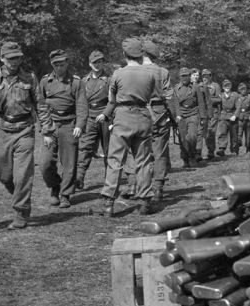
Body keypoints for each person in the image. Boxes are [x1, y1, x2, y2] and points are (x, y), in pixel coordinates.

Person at [0, 41, 53, 229]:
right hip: (3, 132)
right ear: (2, 58)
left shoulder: (30, 78)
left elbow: (41, 106)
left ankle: (21, 212)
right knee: (5, 176)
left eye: (18, 57)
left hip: (25, 131)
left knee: (22, 176)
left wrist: (47, 131)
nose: (14, 61)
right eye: (10, 58)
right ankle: (19, 196)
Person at [98, 38, 161, 217]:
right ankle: (144, 202)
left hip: (123, 117)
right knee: (143, 160)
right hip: (142, 116)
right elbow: (150, 95)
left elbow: (112, 99)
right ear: (140, 54)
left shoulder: (117, 74)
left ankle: (109, 203)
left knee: (115, 160)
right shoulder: (150, 74)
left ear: (125, 54)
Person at [37, 49, 81, 208]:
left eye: (62, 63)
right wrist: (45, 129)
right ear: (52, 65)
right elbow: (40, 105)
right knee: (45, 163)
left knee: (69, 163)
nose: (59, 67)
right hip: (51, 124)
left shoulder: (76, 82)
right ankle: (55, 186)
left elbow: (81, 106)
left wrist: (79, 125)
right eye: (56, 64)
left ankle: (65, 194)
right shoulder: (44, 82)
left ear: (67, 63)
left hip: (69, 124)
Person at [142, 39, 174, 202]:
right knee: (160, 149)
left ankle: (139, 186)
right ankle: (158, 186)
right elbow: (169, 95)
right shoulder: (163, 72)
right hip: (160, 111)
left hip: (140, 111)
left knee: (140, 150)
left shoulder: (136, 70)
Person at [74, 50, 110, 189]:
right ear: (90, 64)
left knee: (109, 150)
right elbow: (80, 101)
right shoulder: (83, 81)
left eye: (100, 61)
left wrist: (106, 114)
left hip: (106, 117)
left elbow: (114, 100)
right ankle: (79, 178)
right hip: (89, 116)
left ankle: (109, 180)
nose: (97, 64)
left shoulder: (109, 80)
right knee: (85, 148)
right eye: (94, 62)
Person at [173, 67, 208, 168]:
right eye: (182, 76)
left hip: (193, 114)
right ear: (180, 77)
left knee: (192, 136)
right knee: (183, 139)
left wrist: (202, 118)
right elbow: (176, 103)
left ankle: (192, 156)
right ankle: (185, 159)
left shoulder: (195, 87)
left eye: (186, 76)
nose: (184, 78)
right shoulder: (176, 88)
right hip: (182, 116)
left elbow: (201, 103)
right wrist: (178, 115)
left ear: (189, 76)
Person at [190, 67, 211, 162]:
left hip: (200, 113)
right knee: (190, 135)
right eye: (194, 75)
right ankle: (190, 153)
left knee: (200, 133)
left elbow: (207, 101)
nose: (196, 77)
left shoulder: (203, 87)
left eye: (197, 75)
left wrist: (208, 115)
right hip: (188, 114)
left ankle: (198, 153)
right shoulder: (186, 87)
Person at [200, 69, 221, 160]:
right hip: (202, 112)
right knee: (203, 132)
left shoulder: (215, 86)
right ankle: (198, 152)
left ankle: (211, 152)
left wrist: (208, 100)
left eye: (207, 76)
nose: (205, 77)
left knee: (211, 132)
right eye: (204, 76)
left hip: (213, 112)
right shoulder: (199, 86)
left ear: (210, 76)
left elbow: (219, 99)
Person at [216, 79, 240, 155]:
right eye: (225, 86)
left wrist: (235, 115)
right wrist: (219, 116)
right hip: (223, 116)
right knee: (222, 133)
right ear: (223, 87)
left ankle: (234, 150)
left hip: (232, 116)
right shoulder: (220, 95)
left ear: (231, 86)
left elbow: (238, 107)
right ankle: (222, 149)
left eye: (228, 85)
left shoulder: (235, 95)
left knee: (234, 135)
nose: (227, 87)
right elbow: (218, 106)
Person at [236, 82, 250, 153]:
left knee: (248, 136)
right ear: (239, 90)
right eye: (241, 89)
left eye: (244, 89)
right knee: (238, 135)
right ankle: (237, 150)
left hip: (248, 119)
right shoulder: (236, 97)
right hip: (239, 119)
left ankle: (248, 149)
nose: (243, 91)